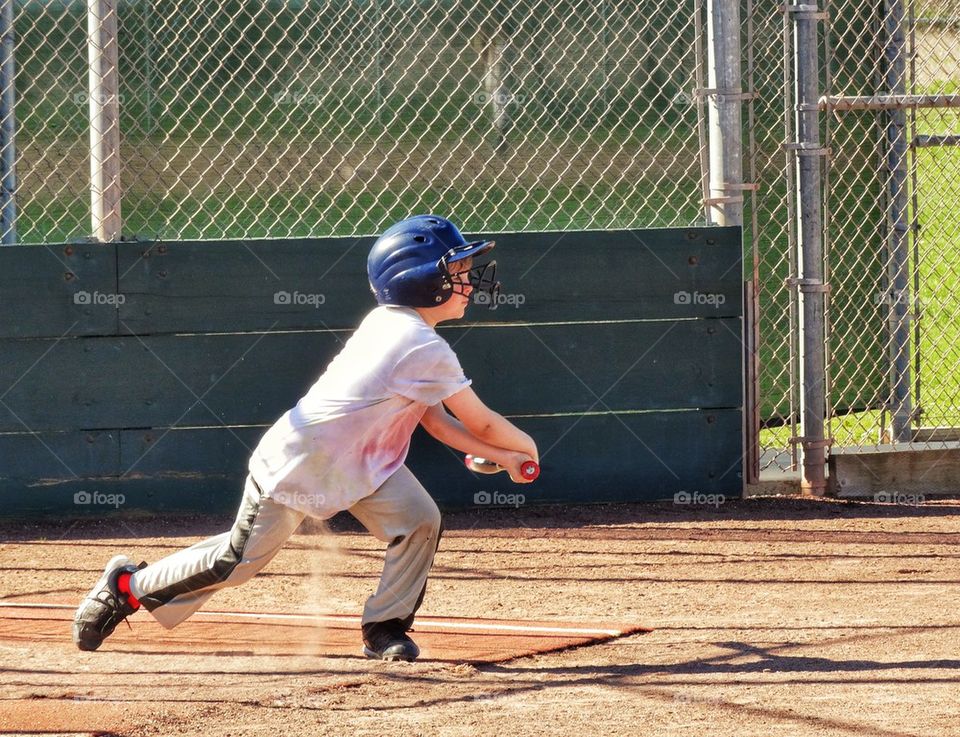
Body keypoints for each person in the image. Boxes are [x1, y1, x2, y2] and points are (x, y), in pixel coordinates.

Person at [72, 214, 540, 661]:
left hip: (365, 465)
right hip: (301, 463)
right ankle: (127, 587)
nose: (469, 280)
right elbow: (479, 423)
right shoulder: (417, 344)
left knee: (418, 520)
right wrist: (524, 450)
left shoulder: (401, 328)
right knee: (237, 563)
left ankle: (385, 628)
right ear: (421, 281)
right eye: (456, 271)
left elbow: (439, 425)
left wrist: (504, 456)